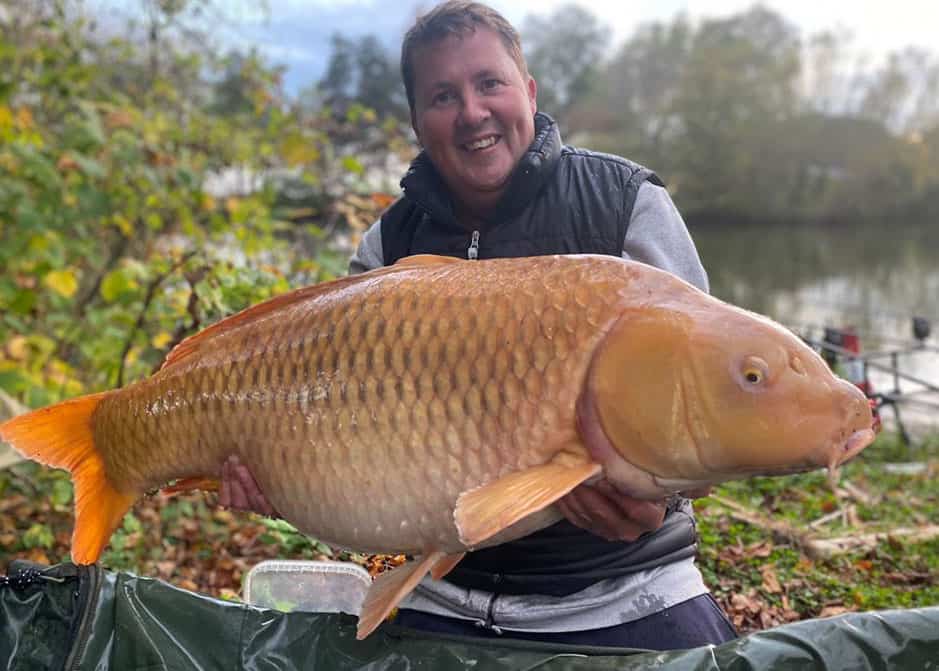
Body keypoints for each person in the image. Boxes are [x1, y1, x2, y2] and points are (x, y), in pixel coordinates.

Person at [222, 0, 737, 650]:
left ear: (527, 90)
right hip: (439, 591)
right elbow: (342, 431)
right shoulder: (388, 245)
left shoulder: (626, 205)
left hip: (624, 589)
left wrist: (654, 502)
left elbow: (706, 414)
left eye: (488, 83)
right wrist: (287, 473)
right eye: (443, 95)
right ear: (416, 120)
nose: (471, 113)